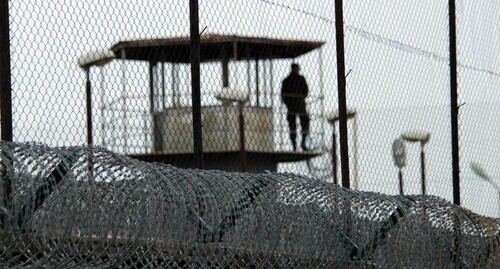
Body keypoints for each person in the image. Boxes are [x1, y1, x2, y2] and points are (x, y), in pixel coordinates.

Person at [281, 63, 310, 151]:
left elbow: (283, 95)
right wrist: (300, 98)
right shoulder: (299, 79)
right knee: (302, 122)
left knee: (293, 125)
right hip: (299, 104)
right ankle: (301, 143)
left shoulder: (287, 80)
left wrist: (288, 102)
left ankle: (297, 144)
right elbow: (306, 91)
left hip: (292, 105)